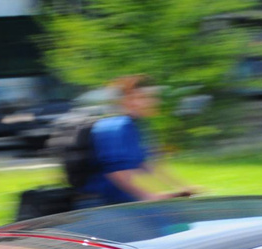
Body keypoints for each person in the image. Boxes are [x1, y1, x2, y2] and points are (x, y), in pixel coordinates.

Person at [83, 75, 200, 206]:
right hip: (101, 206)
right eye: (144, 97)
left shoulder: (139, 125)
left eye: (154, 97)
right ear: (126, 101)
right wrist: (149, 196)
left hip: (123, 201)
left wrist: (184, 188)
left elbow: (151, 164)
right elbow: (117, 173)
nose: (153, 101)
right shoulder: (117, 127)